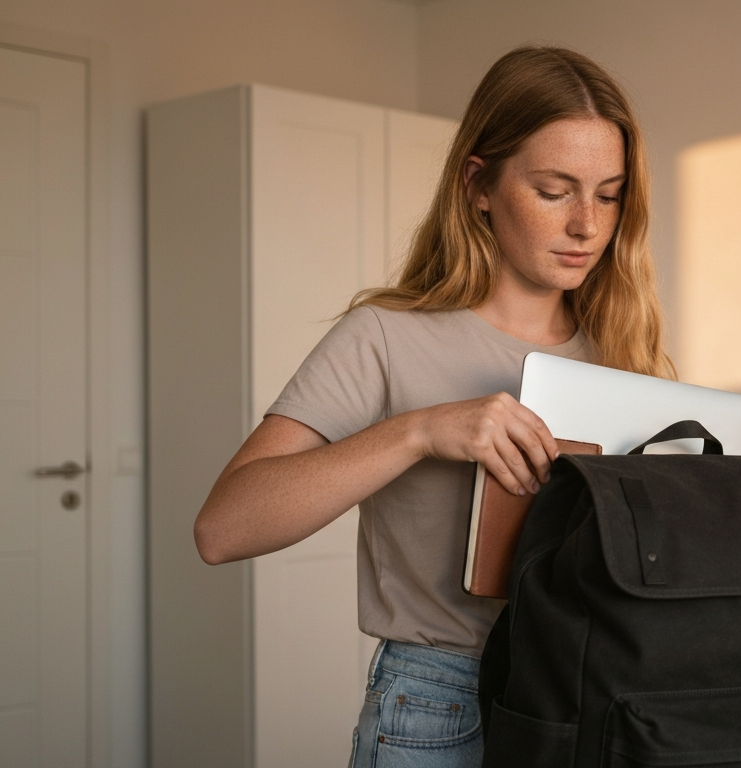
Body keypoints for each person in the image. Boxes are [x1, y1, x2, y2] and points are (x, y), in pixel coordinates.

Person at [193, 45, 673, 767]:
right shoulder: (385, 336)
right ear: (478, 183)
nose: (587, 225)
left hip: (598, 698)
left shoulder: (627, 351)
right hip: (440, 703)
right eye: (554, 190)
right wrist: (420, 431)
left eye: (608, 194)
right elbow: (222, 529)